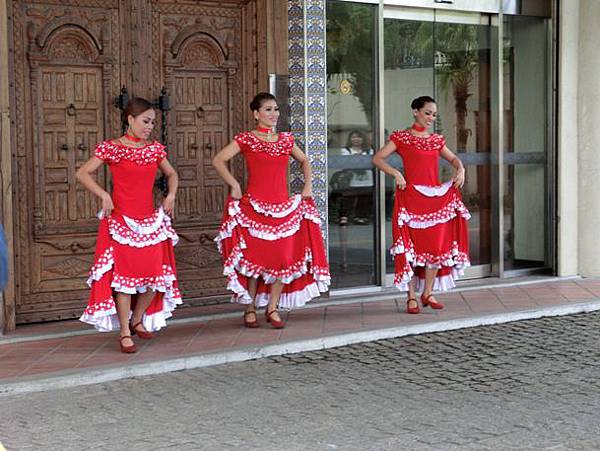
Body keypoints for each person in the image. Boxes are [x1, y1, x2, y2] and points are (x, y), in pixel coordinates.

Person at [212, 92, 330, 329]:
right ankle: (250, 308)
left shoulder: (286, 140)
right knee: (255, 260)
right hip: (254, 208)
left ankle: (273, 307)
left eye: (276, 109)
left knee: (283, 259)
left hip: (283, 209)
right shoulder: (246, 139)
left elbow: (305, 160)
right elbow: (218, 160)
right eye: (267, 109)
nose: (273, 114)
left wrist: (307, 186)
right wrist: (234, 184)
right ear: (256, 114)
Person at [76, 97, 181, 353]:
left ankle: (137, 319)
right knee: (125, 279)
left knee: (156, 276)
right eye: (145, 121)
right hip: (122, 221)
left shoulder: (154, 149)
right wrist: (103, 195)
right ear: (130, 119)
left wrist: (171, 195)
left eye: (153, 122)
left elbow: (172, 173)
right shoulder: (111, 148)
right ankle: (124, 331)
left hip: (150, 221)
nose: (149, 127)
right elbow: (82, 173)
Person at [372, 96, 470, 314]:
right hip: (411, 198)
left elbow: (454, 159)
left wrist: (461, 169)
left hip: (434, 199)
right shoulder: (402, 138)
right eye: (427, 113)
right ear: (415, 111)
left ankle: (428, 292)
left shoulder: (436, 140)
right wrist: (396, 173)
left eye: (434, 115)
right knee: (410, 247)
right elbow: (378, 158)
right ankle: (410, 297)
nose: (431, 118)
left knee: (435, 246)